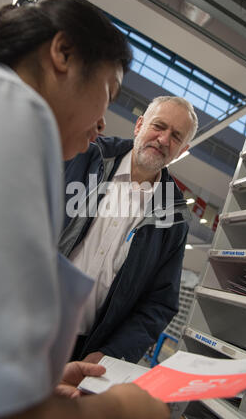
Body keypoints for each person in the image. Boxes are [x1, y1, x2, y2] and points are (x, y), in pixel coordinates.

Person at [0, 0, 170, 419]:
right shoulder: (13, 108)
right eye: (109, 93)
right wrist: (112, 415)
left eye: (177, 136)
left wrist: (35, 381)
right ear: (62, 53)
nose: (102, 123)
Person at [59, 96, 198, 364]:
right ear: (139, 126)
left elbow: (159, 303)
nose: (163, 139)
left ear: (182, 150)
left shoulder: (174, 218)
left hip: (82, 354)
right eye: (159, 126)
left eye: (176, 136)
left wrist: (110, 355)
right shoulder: (85, 155)